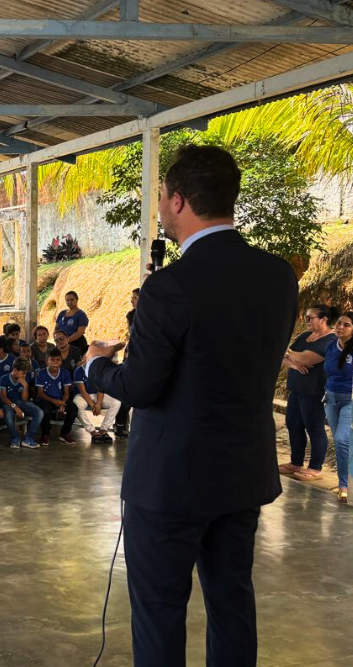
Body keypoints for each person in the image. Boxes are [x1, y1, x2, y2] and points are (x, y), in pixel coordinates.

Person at [85, 144, 298, 667]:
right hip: (241, 475)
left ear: (178, 200)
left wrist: (95, 365)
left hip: (170, 484)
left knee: (159, 614)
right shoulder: (277, 277)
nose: (159, 204)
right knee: (232, 604)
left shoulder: (171, 286)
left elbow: (141, 386)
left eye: (160, 194)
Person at [278, 305, 338, 481]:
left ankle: (315, 468)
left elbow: (307, 358)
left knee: (314, 428)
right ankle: (296, 462)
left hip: (314, 391)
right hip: (296, 388)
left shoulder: (331, 340)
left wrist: (289, 352)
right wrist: (294, 363)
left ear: (323, 319)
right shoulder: (304, 336)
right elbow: (282, 359)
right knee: (293, 425)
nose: (306, 321)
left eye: (310, 317)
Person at [323, 312, 353, 505]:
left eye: (346, 325)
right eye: (339, 323)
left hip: (350, 400)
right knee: (341, 441)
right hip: (331, 399)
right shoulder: (330, 346)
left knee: (343, 439)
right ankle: (344, 481)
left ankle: (344, 485)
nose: (340, 327)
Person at [113, 288, 140, 438]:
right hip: (133, 356)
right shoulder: (132, 315)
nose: (132, 301)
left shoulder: (153, 316)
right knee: (128, 393)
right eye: (132, 298)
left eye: (135, 298)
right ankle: (120, 423)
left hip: (144, 356)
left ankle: (124, 424)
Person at [0, 358, 42, 449]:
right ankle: (15, 438)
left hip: (20, 402)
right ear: (15, 370)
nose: (24, 375)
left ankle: (29, 439)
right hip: (8, 403)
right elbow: (3, 397)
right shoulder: (4, 379)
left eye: (25, 373)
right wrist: (15, 407)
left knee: (39, 412)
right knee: (9, 417)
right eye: (23, 373)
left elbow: (24, 398)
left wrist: (25, 386)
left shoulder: (23, 379)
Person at [35, 349, 75, 445]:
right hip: (46, 399)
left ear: (61, 361)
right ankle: (45, 435)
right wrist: (53, 401)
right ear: (46, 361)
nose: (55, 362)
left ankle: (65, 433)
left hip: (60, 399)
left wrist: (62, 403)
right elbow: (40, 393)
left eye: (58, 360)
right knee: (46, 410)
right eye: (52, 360)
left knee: (73, 409)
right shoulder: (41, 373)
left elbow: (66, 392)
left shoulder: (65, 373)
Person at [72, 364, 120, 444]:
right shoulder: (79, 370)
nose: (88, 359)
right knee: (77, 404)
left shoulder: (98, 369)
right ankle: (92, 431)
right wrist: (93, 406)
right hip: (82, 395)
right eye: (85, 357)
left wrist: (99, 403)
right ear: (82, 358)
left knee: (116, 401)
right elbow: (83, 391)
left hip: (97, 394)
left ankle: (103, 430)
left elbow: (101, 389)